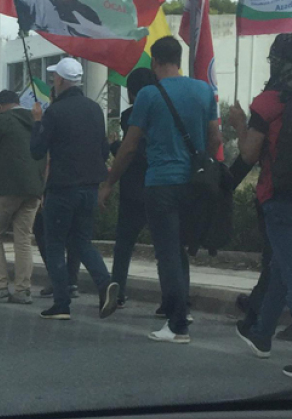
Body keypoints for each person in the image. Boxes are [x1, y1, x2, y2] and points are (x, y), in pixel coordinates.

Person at [101, 38, 220, 340]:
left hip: (160, 183)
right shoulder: (204, 91)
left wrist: (109, 182)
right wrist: (200, 164)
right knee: (178, 250)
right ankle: (182, 309)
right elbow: (216, 138)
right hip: (192, 184)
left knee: (167, 253)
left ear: (155, 62)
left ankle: (177, 325)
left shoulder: (149, 95)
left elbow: (129, 147)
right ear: (178, 59)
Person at [32, 57, 117, 321]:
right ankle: (105, 283)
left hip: (62, 188)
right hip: (89, 187)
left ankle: (61, 303)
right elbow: (103, 150)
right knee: (81, 241)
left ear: (60, 80)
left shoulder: (54, 112)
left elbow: (37, 150)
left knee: (55, 244)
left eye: (54, 77)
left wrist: (37, 122)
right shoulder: (94, 109)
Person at [228, 35, 292, 375]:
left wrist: (240, 124)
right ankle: (262, 335)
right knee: (281, 267)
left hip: (279, 197)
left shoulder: (268, 102)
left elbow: (250, 154)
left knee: (288, 269)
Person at [0, 90, 45, 304]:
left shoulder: (2, 120)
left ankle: (0, 286)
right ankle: (23, 289)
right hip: (33, 188)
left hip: (4, 187)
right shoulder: (35, 121)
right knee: (23, 238)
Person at [108, 68, 158, 308]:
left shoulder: (130, 115)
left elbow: (131, 150)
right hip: (159, 185)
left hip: (133, 188)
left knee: (124, 244)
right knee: (167, 246)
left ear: (131, 91)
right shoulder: (163, 113)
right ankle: (177, 300)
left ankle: (117, 291)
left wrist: (114, 146)